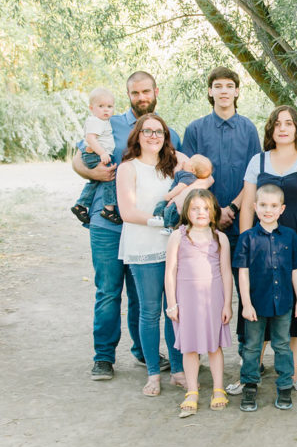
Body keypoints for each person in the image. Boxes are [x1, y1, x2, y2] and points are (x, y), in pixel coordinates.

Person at [73, 72, 181, 381]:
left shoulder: (163, 130)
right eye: (135, 93)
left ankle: (141, 352)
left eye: (146, 91)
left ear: (156, 92)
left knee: (141, 295)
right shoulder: (108, 124)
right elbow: (78, 160)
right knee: (108, 290)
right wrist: (98, 176)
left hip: (145, 230)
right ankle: (103, 357)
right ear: (128, 95)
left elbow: (182, 169)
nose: (141, 97)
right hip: (107, 224)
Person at [237, 106, 297, 394]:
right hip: (261, 246)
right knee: (260, 302)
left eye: (289, 123)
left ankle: (293, 369)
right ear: (270, 129)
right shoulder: (258, 160)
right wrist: (246, 247)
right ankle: (251, 370)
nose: (283, 128)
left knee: (296, 308)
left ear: (296, 129)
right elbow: (246, 206)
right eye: (277, 124)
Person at [116, 114, 205, 396]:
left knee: (175, 312)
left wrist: (179, 202)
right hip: (144, 245)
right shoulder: (128, 168)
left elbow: (205, 177)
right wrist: (160, 221)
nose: (153, 136)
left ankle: (178, 371)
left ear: (165, 135)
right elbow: (127, 212)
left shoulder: (176, 161)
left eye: (159, 131)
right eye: (147, 131)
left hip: (175, 246)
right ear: (137, 135)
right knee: (150, 310)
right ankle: (153, 373)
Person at [181, 67, 262, 359]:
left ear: (237, 92)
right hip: (204, 221)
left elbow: (254, 175)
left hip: (241, 219)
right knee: (206, 285)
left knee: (244, 283)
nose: (224, 90)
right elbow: (189, 177)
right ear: (210, 91)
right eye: (218, 86)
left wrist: (234, 207)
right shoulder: (195, 129)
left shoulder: (249, 129)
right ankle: (203, 346)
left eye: (230, 85)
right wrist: (214, 210)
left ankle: (246, 349)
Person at [235, 183, 297, 411]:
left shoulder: (290, 236)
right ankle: (249, 387)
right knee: (252, 347)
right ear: (255, 207)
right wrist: (245, 303)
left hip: (283, 302)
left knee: (282, 345)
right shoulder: (247, 238)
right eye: (264, 205)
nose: (268, 210)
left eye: (274, 205)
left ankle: (285, 387)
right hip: (255, 304)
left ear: (282, 209)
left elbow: (296, 269)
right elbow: (243, 272)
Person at [164, 189, 233, 417]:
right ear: (187, 211)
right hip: (186, 301)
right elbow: (170, 271)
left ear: (214, 212)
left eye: (205, 208)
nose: (200, 212)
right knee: (189, 347)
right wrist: (172, 303)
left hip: (212, 300)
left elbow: (225, 272)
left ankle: (218, 388)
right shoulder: (178, 236)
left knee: (214, 346)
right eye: (195, 208)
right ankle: (192, 391)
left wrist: (227, 304)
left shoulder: (219, 238)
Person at [71, 87, 120, 225]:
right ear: (91, 108)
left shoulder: (103, 121)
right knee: (109, 177)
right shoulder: (96, 121)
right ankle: (108, 209)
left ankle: (80, 205)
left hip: (97, 154)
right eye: (101, 106)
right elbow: (91, 139)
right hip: (95, 154)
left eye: (109, 106)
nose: (106, 110)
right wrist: (102, 153)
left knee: (96, 180)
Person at [151, 154, 213, 234]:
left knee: (170, 211)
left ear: (192, 170)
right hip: (174, 197)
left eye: (189, 161)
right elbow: (177, 177)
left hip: (175, 197)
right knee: (164, 206)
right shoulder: (186, 175)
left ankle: (170, 226)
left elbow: (180, 186)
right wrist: (179, 169)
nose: (186, 161)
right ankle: (159, 218)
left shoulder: (188, 176)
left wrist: (170, 195)